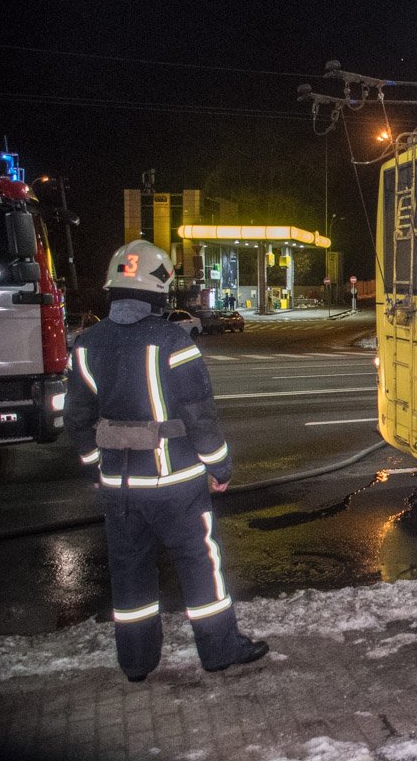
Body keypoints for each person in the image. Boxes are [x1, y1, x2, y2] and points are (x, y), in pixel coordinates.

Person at [64, 239, 268, 683]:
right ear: (159, 290)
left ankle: (136, 662)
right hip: (176, 482)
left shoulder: (87, 343)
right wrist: (220, 467)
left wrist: (95, 465)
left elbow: (76, 417)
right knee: (200, 564)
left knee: (129, 571)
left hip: (120, 487)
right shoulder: (172, 340)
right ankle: (219, 650)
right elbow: (199, 414)